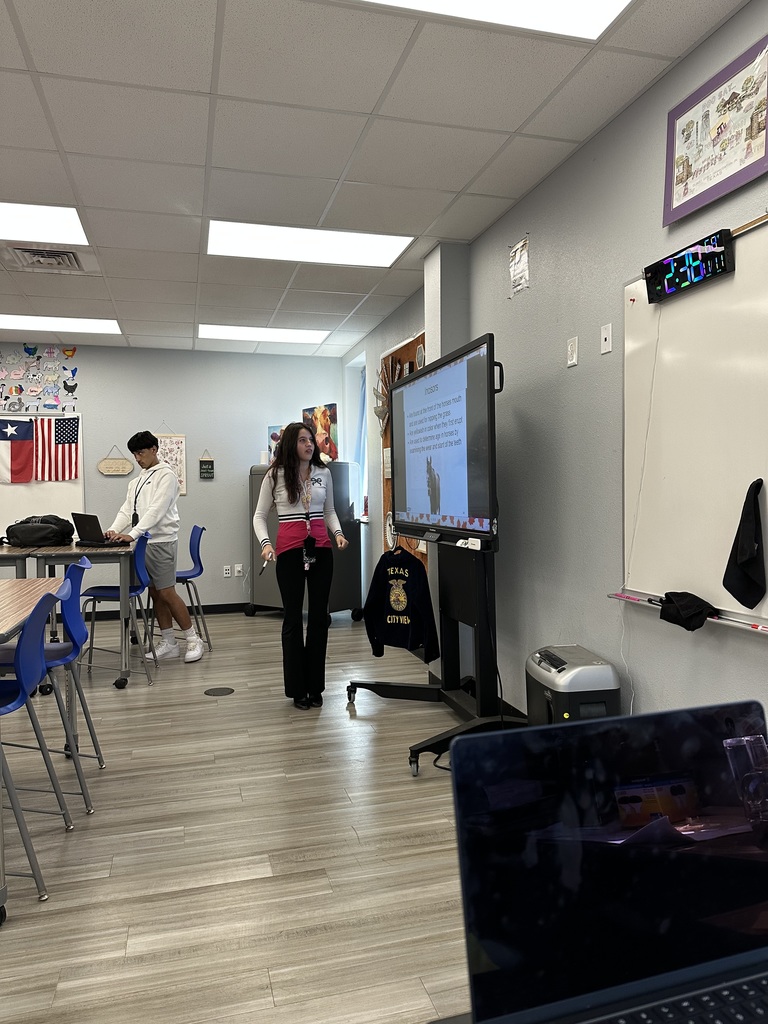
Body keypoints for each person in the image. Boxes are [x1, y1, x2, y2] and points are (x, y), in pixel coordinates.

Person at [252, 421, 348, 709]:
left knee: (319, 618)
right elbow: (259, 515)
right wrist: (266, 544)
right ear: (291, 444)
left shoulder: (324, 473)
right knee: (293, 618)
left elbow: (329, 511)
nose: (309, 445)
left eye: (311, 440)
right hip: (289, 552)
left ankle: (315, 686)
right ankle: (297, 689)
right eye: (303, 440)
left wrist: (339, 534)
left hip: (321, 550)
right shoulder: (275, 475)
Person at [106, 430, 204, 664]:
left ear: (154, 450)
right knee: (155, 593)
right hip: (143, 543)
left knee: (167, 592)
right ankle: (169, 642)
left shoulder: (167, 476)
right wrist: (113, 530)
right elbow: (127, 510)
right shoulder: (137, 481)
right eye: (134, 454)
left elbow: (156, 511)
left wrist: (131, 534)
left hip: (162, 541)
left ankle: (193, 639)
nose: (137, 458)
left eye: (140, 452)